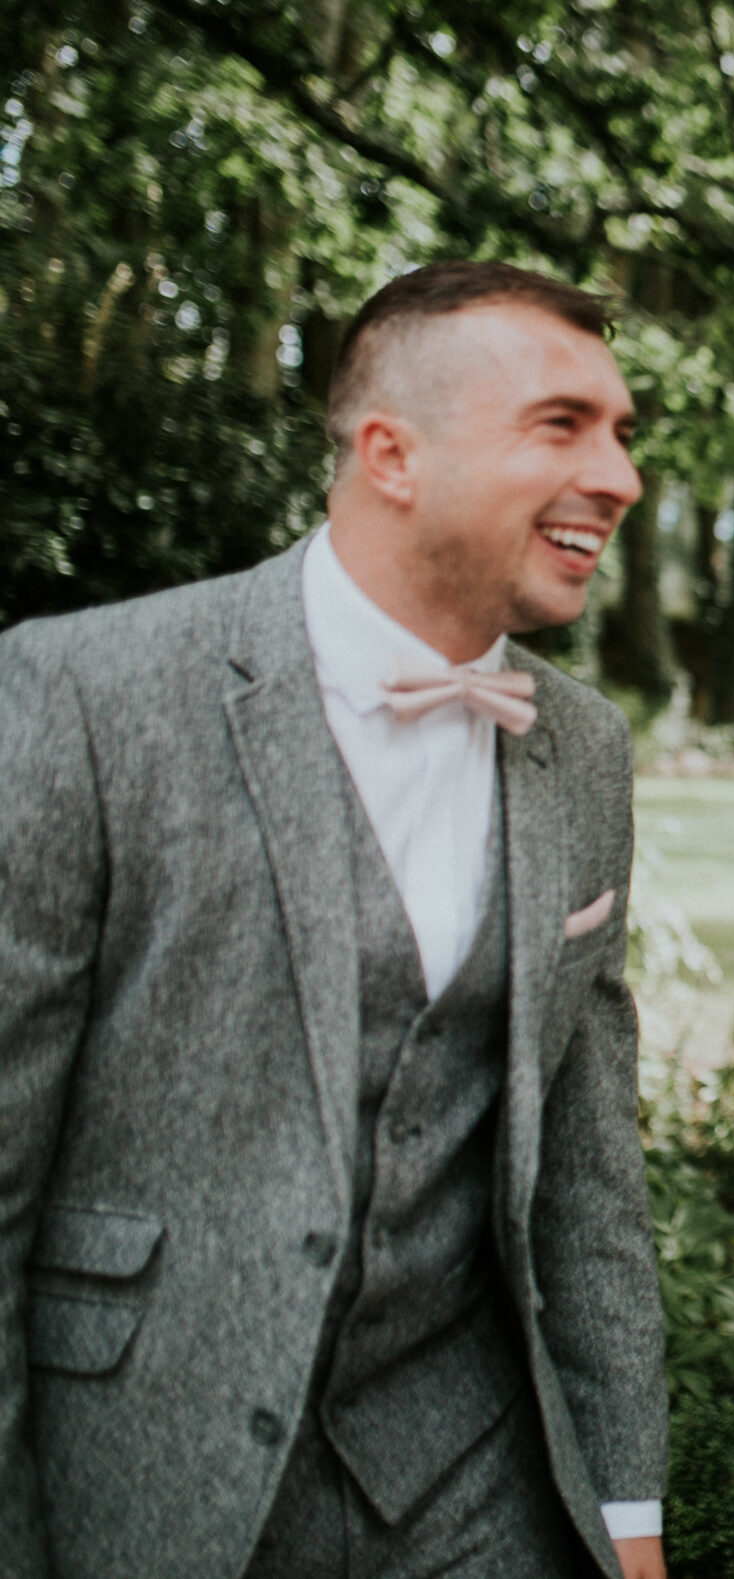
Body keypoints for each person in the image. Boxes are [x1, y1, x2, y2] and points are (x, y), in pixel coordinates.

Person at [0, 262, 668, 1579]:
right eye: (561, 425)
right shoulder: (79, 698)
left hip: (475, 1473)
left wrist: (629, 1512)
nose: (620, 477)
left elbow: (591, 1174)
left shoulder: (583, 748)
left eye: (623, 434)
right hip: (152, 1468)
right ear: (391, 454)